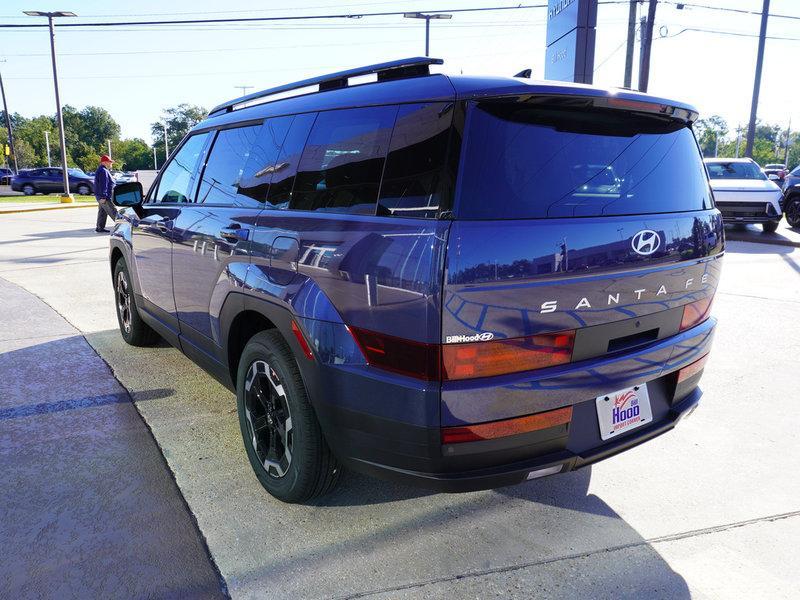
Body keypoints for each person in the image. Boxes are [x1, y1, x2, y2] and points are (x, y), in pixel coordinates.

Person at [94, 155, 118, 233]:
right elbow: (103, 184)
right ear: (104, 162)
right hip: (105, 197)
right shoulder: (103, 171)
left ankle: (100, 227)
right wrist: (103, 196)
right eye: (109, 162)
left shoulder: (102, 170)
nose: (111, 163)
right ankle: (122, 227)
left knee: (102, 212)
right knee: (113, 212)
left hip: (102, 196)